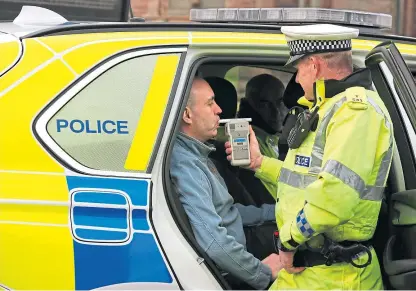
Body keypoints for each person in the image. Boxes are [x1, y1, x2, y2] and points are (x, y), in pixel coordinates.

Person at [226, 24, 394, 290]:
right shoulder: (326, 108)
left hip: (337, 276)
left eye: (299, 70)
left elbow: (334, 196)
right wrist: (260, 164)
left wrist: (288, 241)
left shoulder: (356, 111)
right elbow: (306, 181)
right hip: (309, 271)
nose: (297, 79)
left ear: (314, 67)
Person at [169, 77, 282, 290]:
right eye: (210, 103)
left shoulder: (199, 157)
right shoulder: (186, 166)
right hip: (228, 277)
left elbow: (228, 211)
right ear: (187, 115)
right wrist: (262, 273)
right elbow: (215, 243)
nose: (220, 109)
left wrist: (275, 212)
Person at [237, 74, 287, 203]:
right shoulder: (246, 142)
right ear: (250, 105)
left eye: (280, 102)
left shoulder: (278, 137)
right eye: (265, 104)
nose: (276, 111)